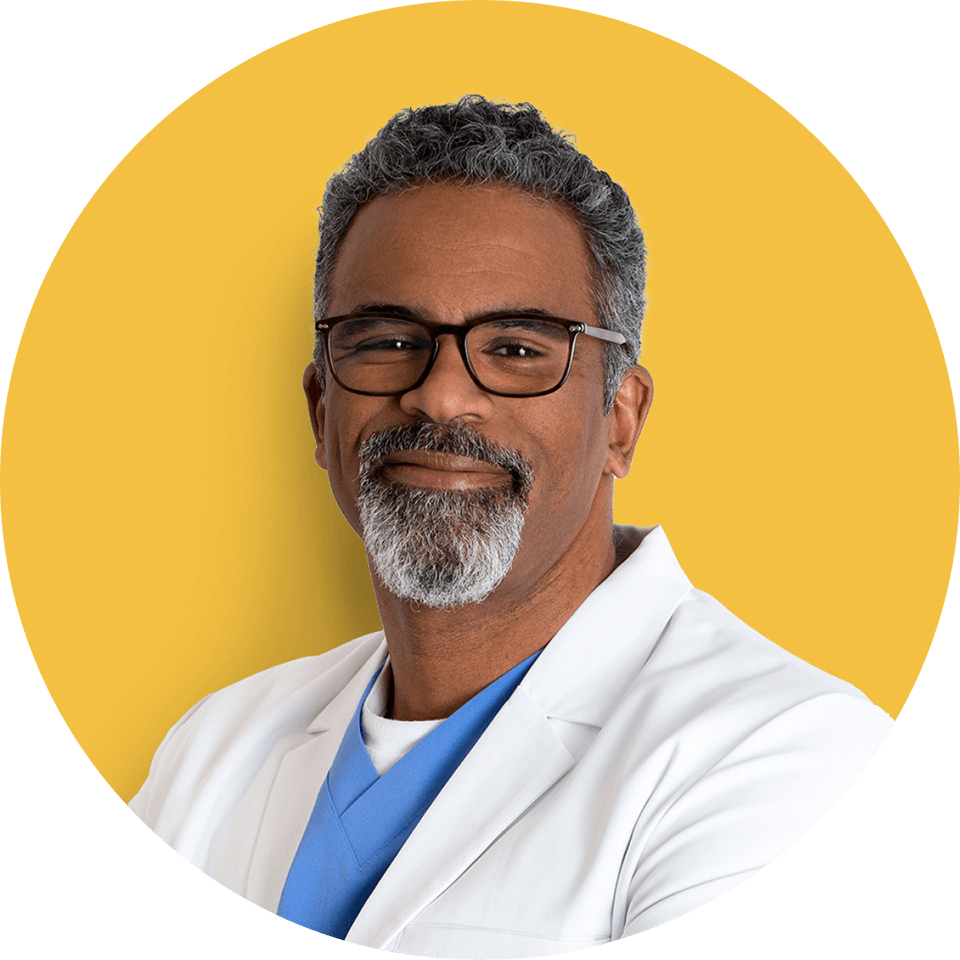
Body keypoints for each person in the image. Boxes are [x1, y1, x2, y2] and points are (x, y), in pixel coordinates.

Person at [128, 96, 893, 953]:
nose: (441, 396)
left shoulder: (789, 756)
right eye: (387, 341)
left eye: (518, 350)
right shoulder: (215, 747)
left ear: (621, 421)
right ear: (319, 409)